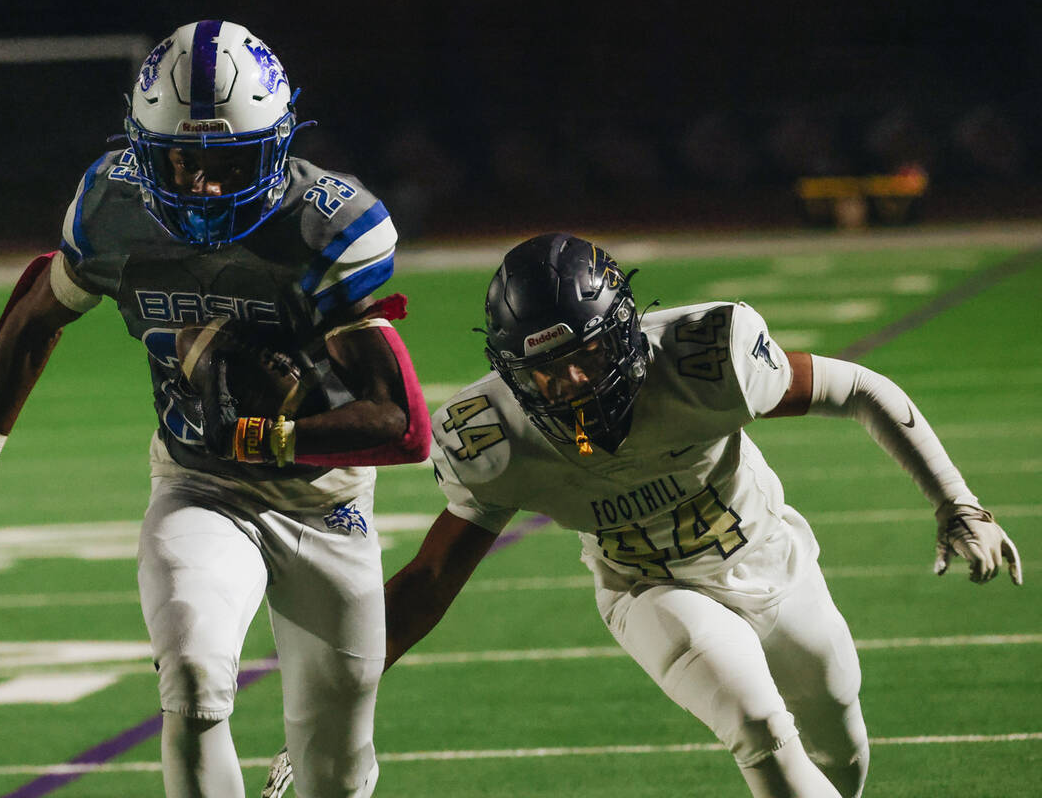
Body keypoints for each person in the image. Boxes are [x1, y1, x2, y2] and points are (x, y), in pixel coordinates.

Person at [264, 232, 1022, 798]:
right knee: (759, 728)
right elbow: (432, 578)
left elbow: (856, 387)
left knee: (841, 747)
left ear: (625, 332)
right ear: (511, 371)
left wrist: (958, 501)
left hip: (773, 562)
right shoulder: (494, 437)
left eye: (587, 355)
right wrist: (332, 704)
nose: (571, 382)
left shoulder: (705, 359)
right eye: (544, 371)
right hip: (652, 590)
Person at [0, 20, 430, 798]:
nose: (204, 187)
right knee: (192, 676)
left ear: (277, 147)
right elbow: (38, 311)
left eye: (230, 163)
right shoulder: (114, 206)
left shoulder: (324, 225)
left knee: (335, 774)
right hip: (198, 483)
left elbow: (401, 424)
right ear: (146, 150)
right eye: (182, 161)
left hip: (323, 500)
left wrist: (260, 432)